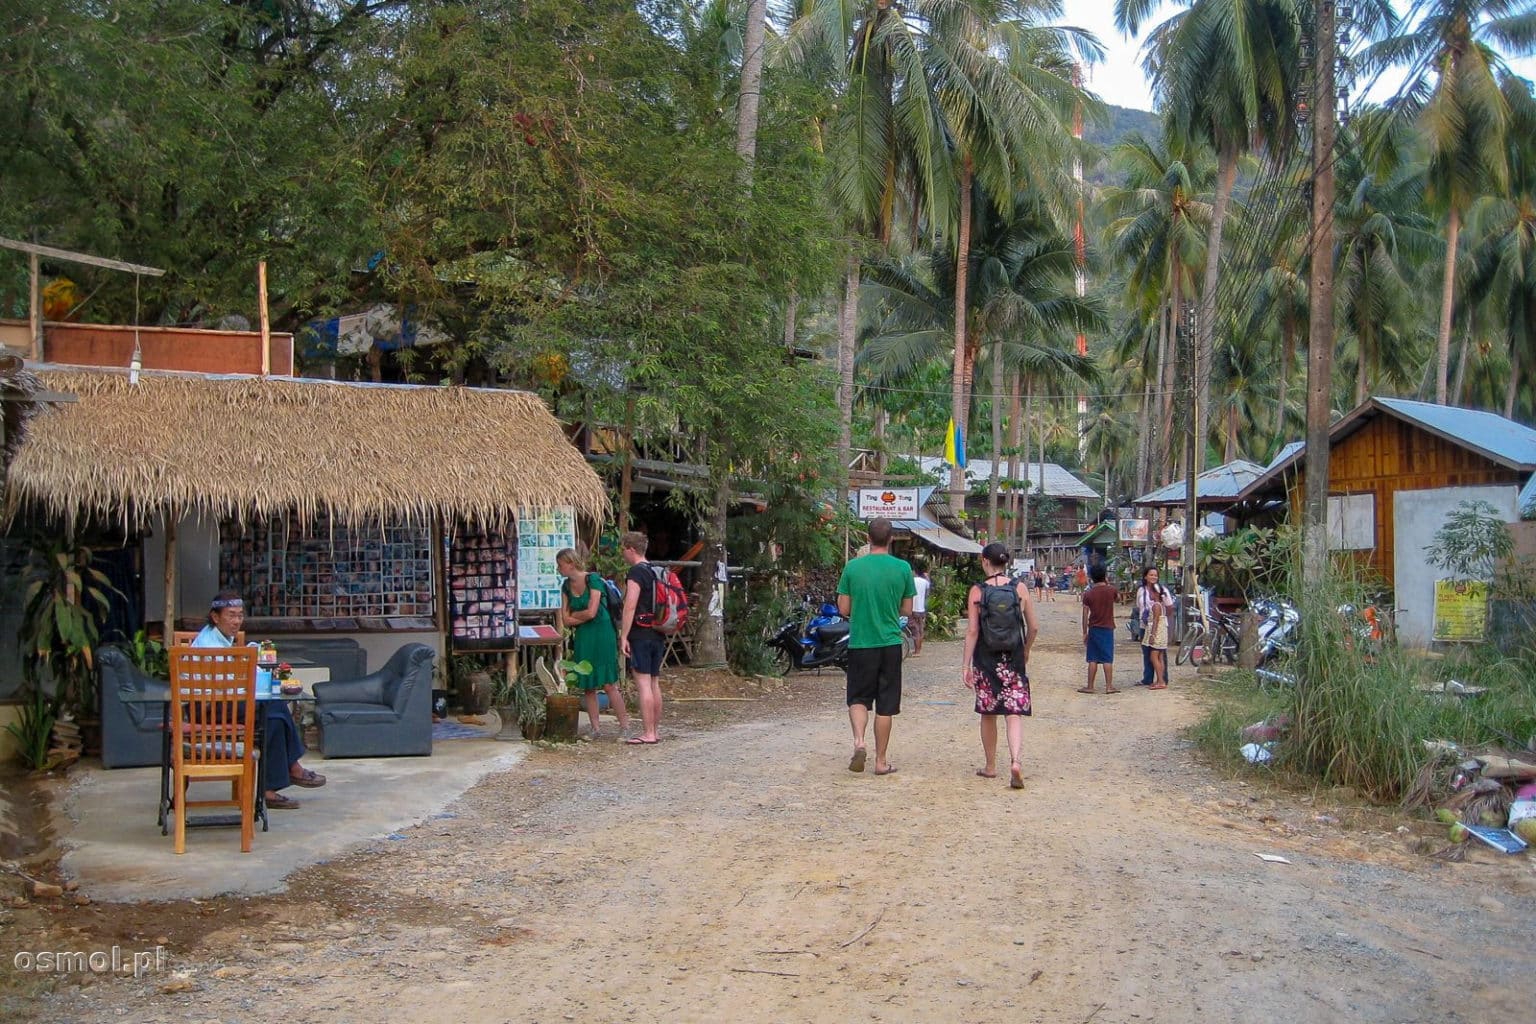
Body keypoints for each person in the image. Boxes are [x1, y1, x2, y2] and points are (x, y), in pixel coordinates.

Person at [190, 591, 323, 810]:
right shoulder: (210, 644)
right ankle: (289, 770)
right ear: (215, 617)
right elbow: (227, 685)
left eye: (240, 615)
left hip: (224, 699)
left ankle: (271, 788)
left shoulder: (222, 638)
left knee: (273, 717)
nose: (236, 621)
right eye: (231, 615)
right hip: (207, 708)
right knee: (273, 707)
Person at [836, 518, 915, 776]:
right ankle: (881, 762)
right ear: (891, 539)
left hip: (861, 643)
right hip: (890, 643)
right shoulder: (903, 568)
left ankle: (859, 742)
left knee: (858, 698)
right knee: (885, 704)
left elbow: (843, 609)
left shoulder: (852, 568)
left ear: (868, 539)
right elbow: (907, 610)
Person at [962, 543, 1038, 790]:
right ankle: (1015, 761)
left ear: (985, 561)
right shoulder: (1019, 588)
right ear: (1006, 562)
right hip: (1013, 658)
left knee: (988, 713)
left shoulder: (977, 591)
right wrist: (1025, 650)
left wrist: (966, 665)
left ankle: (991, 765)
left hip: (986, 658)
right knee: (1013, 713)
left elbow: (973, 631)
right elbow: (1034, 627)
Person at [556, 548, 631, 741]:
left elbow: (591, 611)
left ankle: (625, 726)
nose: (558, 569)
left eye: (560, 565)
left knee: (608, 684)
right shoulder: (565, 586)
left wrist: (575, 616)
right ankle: (595, 728)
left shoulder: (593, 580)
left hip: (602, 631)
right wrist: (576, 617)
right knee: (587, 683)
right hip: (584, 634)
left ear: (570, 563)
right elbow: (565, 619)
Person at [617, 531, 665, 744]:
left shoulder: (636, 573)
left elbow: (630, 606)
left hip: (640, 632)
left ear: (631, 549)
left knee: (643, 683)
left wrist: (624, 635)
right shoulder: (657, 571)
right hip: (658, 631)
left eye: (623, 550)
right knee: (654, 682)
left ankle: (648, 733)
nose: (623, 554)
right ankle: (655, 729)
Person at [1078, 563, 1119, 694]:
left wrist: (1084, 632)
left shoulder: (1089, 594)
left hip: (1094, 628)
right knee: (1107, 658)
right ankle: (1109, 686)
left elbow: (1085, 615)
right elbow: (1118, 599)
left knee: (1093, 658)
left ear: (1091, 577)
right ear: (1105, 576)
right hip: (1108, 628)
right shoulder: (1111, 590)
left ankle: (1090, 686)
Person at [1140, 567, 1172, 690]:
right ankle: (1160, 679)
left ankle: (1160, 680)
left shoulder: (1156, 606)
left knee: (1154, 656)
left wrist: (1152, 635)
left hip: (1156, 631)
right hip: (1159, 630)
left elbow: (1155, 621)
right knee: (1159, 656)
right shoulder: (1144, 592)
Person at [909, 566, 931, 657]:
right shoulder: (925, 582)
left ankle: (916, 651)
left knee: (915, 630)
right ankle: (919, 650)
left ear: (914, 572)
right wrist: (927, 577)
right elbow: (928, 594)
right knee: (920, 630)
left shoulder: (911, 581)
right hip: (921, 609)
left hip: (912, 609)